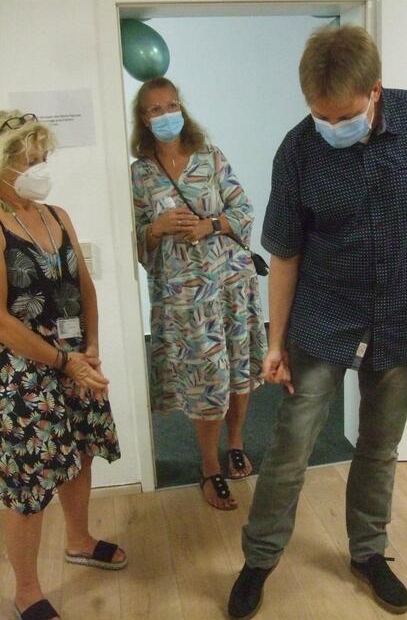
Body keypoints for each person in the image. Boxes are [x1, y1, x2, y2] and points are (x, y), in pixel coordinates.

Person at [228, 25, 407, 618]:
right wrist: (275, 342)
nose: (330, 126)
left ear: (375, 91)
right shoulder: (298, 150)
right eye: (320, 115)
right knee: (291, 445)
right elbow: (284, 253)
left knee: (380, 444)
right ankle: (259, 560)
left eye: (343, 116)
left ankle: (368, 553)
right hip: (324, 316)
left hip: (403, 311)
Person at [0, 111, 126, 620]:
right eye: (30, 160)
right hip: (23, 374)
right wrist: (64, 361)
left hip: (76, 361)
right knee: (28, 484)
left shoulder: (56, 215)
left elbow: (84, 287)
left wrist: (91, 348)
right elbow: (2, 322)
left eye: (43, 157)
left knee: (81, 452)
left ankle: (79, 540)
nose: (41, 168)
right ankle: (27, 591)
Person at [130, 77, 267, 510]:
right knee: (205, 377)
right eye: (155, 109)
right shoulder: (139, 174)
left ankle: (236, 444)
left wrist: (211, 225)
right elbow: (132, 238)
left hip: (231, 284)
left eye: (171, 105)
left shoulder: (210, 157)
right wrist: (156, 228)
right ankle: (209, 466)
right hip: (183, 298)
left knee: (238, 365)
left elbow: (244, 209)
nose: (166, 114)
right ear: (143, 119)